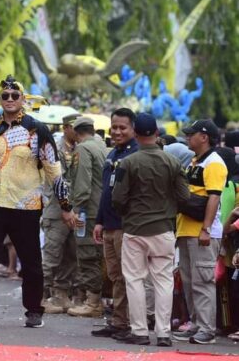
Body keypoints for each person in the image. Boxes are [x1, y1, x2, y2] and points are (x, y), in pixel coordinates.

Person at [0, 75, 76, 329]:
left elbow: (53, 170)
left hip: (25, 205)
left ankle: (33, 311)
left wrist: (65, 206)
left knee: (31, 261)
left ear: (23, 99)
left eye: (14, 96)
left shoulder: (38, 130)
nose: (9, 100)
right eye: (5, 96)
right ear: (0, 100)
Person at [111, 113, 190, 346]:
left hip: (135, 229)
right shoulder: (173, 162)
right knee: (163, 281)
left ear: (135, 134)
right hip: (164, 228)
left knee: (134, 280)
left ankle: (140, 332)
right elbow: (184, 197)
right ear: (157, 133)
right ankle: (163, 333)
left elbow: (118, 198)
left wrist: (127, 213)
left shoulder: (128, 163)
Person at [173, 119, 226, 344]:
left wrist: (205, 229)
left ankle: (207, 329)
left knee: (203, 281)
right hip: (187, 229)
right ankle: (195, 323)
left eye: (191, 134)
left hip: (202, 232)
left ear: (204, 137)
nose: (187, 137)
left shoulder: (213, 163)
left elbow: (214, 197)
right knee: (189, 280)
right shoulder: (196, 161)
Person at [91, 108, 138, 338]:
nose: (117, 132)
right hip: (108, 225)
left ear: (133, 129)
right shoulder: (112, 154)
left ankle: (127, 322)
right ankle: (118, 321)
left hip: (125, 226)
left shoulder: (136, 154)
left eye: (123, 128)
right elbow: (105, 192)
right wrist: (99, 221)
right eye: (115, 127)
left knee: (126, 276)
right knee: (114, 276)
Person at [66, 117, 107, 318]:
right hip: (101, 210)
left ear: (76, 132)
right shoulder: (101, 146)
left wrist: (75, 208)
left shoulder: (82, 149)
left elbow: (83, 183)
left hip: (88, 211)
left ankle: (93, 303)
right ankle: (94, 299)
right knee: (98, 254)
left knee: (87, 254)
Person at [41, 113, 80, 314]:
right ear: (65, 128)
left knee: (71, 255)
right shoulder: (55, 149)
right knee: (51, 255)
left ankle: (61, 294)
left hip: (74, 210)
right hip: (57, 210)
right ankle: (39, 296)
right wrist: (68, 206)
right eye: (75, 126)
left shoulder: (79, 149)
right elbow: (60, 181)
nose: (79, 130)